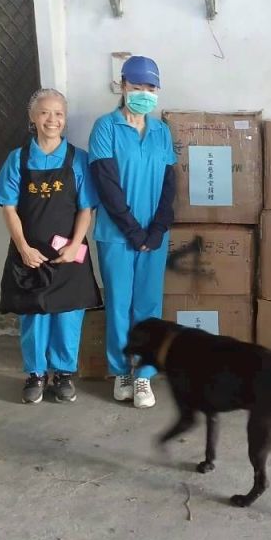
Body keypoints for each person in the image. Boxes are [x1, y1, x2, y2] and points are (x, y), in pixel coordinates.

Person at [0, 89, 102, 404]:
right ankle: (35, 375)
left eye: (59, 114)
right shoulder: (18, 159)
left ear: (65, 119)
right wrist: (23, 248)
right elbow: (8, 208)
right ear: (32, 117)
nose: (52, 120)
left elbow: (86, 209)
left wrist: (75, 245)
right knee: (33, 316)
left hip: (69, 255)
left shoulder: (79, 159)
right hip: (31, 255)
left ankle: (64, 374)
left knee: (68, 316)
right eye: (45, 113)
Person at [88, 55, 176, 408]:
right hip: (116, 235)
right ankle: (121, 371)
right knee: (119, 304)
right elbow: (106, 184)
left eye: (150, 87)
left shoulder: (161, 132)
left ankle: (144, 376)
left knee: (149, 306)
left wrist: (157, 229)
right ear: (122, 86)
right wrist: (133, 232)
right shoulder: (105, 128)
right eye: (136, 86)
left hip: (153, 237)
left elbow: (169, 184)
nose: (143, 93)